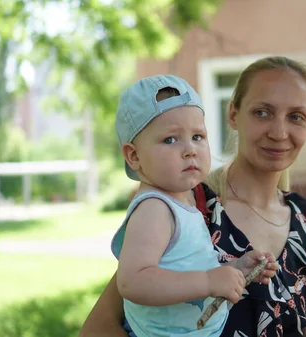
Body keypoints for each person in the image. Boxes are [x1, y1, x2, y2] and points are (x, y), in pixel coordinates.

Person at [79, 56, 306, 337]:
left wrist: (234, 269)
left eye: (296, 117)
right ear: (233, 115)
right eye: (262, 112)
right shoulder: (184, 202)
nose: (279, 132)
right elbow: (99, 326)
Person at [110, 74, 279, 337]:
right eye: (170, 140)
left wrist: (233, 271)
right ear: (134, 156)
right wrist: (209, 281)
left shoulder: (183, 199)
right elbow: (133, 282)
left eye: (198, 136)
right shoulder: (154, 209)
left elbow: (184, 267)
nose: (190, 149)